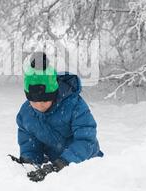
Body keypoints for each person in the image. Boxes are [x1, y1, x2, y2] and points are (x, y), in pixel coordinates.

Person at [12, 52, 103, 182]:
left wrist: (62, 163)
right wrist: (29, 163)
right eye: (33, 101)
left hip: (86, 164)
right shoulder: (27, 114)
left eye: (43, 101)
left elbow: (86, 140)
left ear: (53, 94)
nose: (38, 105)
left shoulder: (74, 105)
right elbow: (30, 144)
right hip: (53, 166)